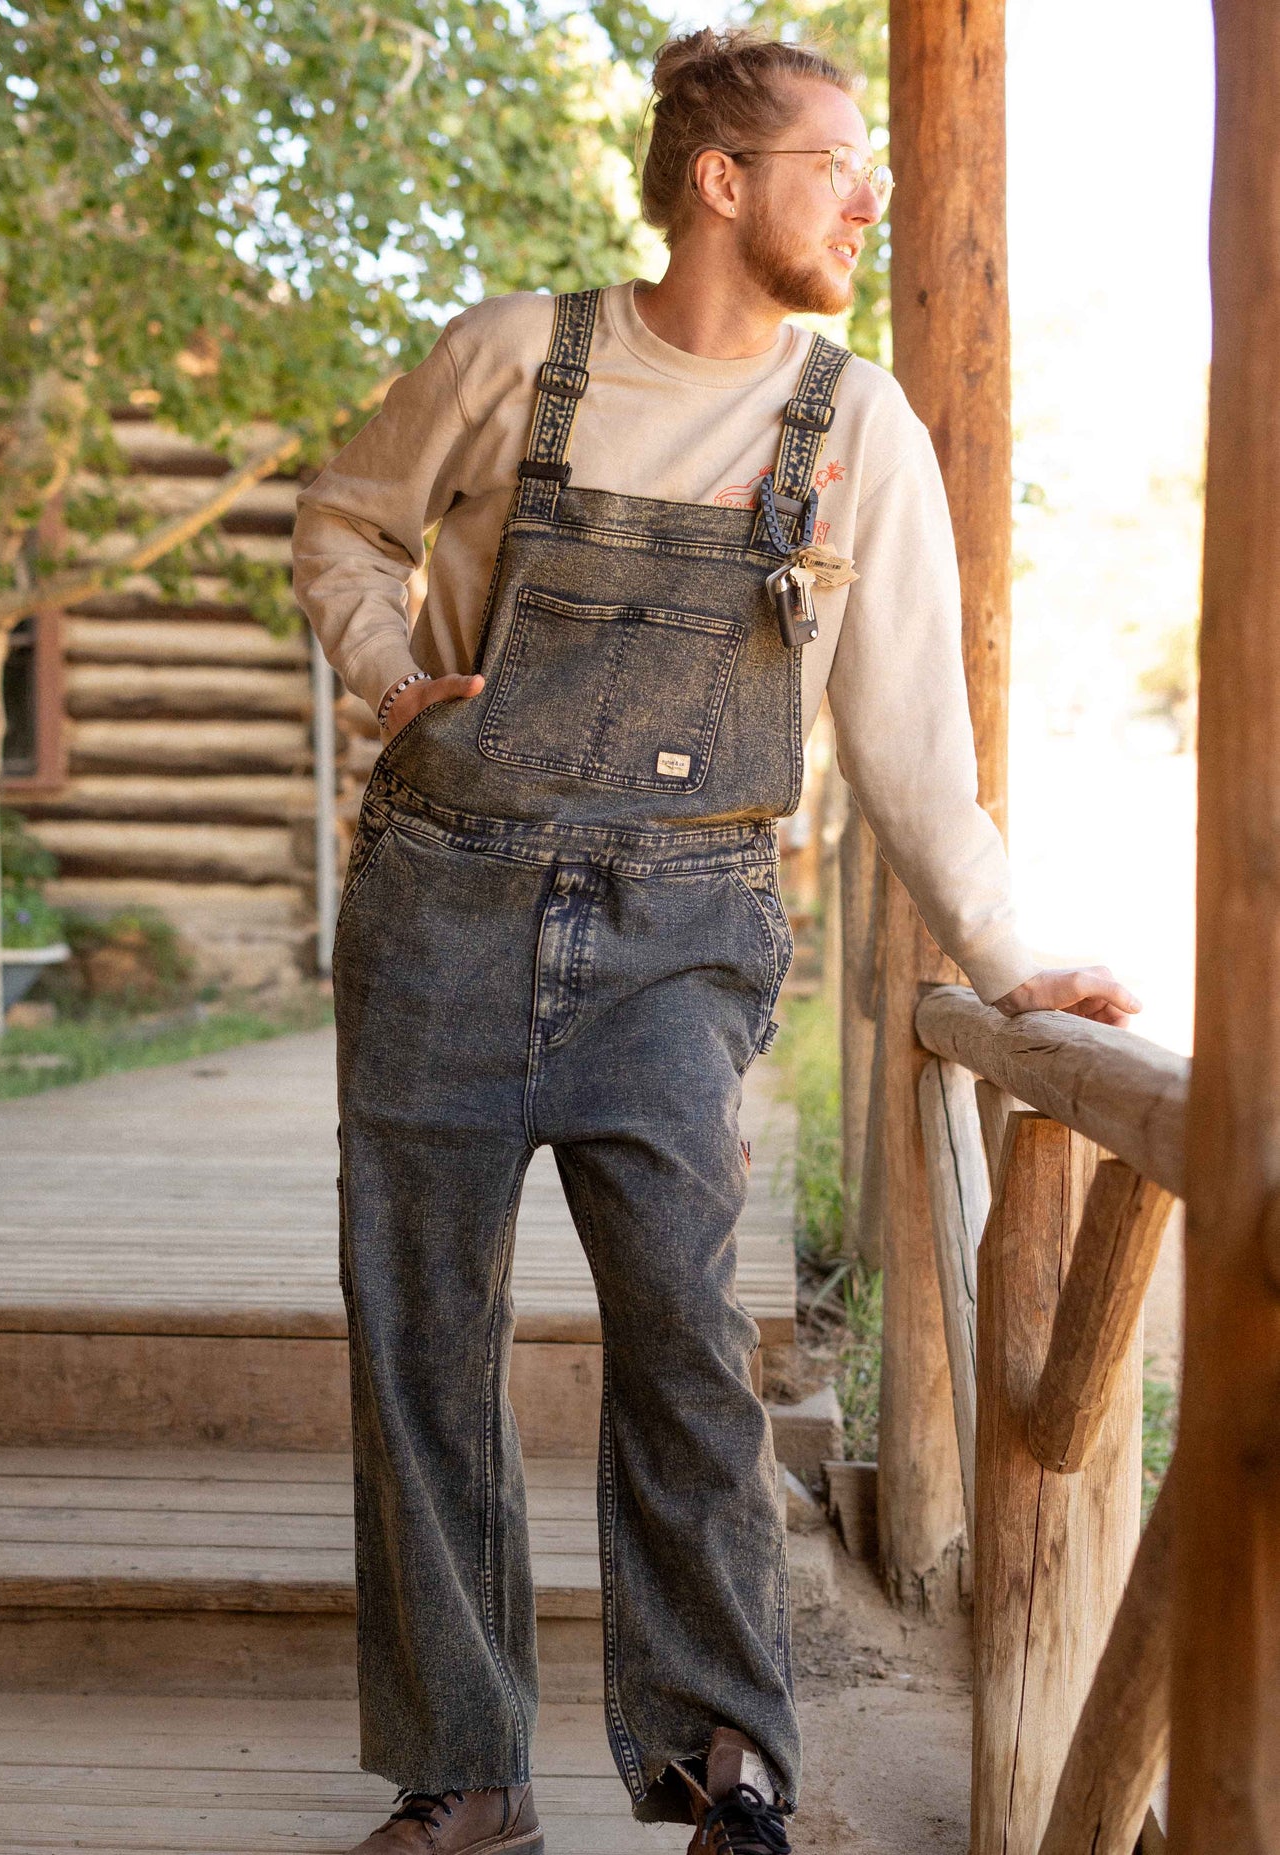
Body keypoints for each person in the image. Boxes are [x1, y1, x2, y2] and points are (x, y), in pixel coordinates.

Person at [292, 26, 1138, 1855]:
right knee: (417, 1337)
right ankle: (465, 1775)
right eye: (840, 162)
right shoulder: (521, 355)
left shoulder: (859, 424)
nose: (868, 195)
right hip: (441, 902)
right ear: (721, 181)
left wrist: (1009, 963)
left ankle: (720, 1766)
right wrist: (392, 682)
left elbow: (914, 738)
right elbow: (343, 527)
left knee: (684, 1338)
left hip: (683, 932)